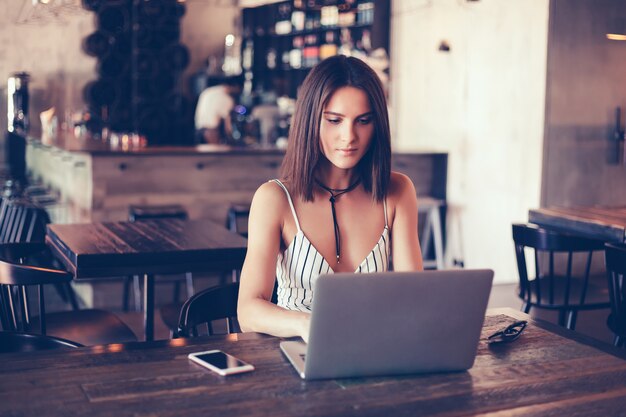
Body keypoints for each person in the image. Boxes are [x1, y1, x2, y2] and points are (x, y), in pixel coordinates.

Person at [237, 55, 423, 342]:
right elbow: (248, 312)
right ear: (310, 119)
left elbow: (415, 296)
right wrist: (305, 325)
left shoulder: (398, 191)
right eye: (334, 120)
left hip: (372, 350)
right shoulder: (274, 199)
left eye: (363, 121)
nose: (349, 136)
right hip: (294, 355)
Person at [194, 76, 241, 144]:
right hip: (211, 133)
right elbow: (228, 126)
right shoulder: (226, 99)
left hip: (198, 130)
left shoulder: (208, 91)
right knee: (214, 154)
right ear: (236, 87)